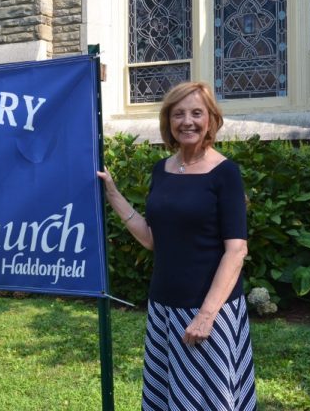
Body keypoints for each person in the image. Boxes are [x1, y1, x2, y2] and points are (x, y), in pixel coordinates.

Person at [97, 81, 256, 410]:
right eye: (178, 113)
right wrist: (112, 193)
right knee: (170, 399)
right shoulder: (163, 170)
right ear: (168, 121)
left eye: (197, 113)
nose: (188, 121)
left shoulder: (225, 173)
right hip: (164, 308)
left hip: (208, 312)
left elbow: (236, 250)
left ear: (211, 119)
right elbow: (154, 239)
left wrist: (206, 316)